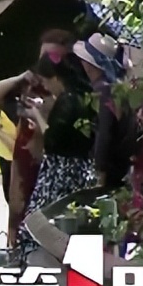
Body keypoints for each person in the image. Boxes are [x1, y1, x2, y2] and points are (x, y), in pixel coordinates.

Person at [0, 29, 74, 246]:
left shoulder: (68, 97)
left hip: (49, 172)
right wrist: (20, 78)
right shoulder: (30, 87)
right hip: (22, 166)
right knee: (17, 222)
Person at [16, 50, 98, 260]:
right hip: (80, 168)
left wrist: (37, 116)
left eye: (45, 80)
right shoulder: (84, 96)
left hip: (60, 171)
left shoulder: (67, 100)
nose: (45, 86)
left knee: (38, 225)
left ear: (54, 77)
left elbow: (52, 138)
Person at [73, 33, 138, 190]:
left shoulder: (103, 91)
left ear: (89, 64)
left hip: (111, 167)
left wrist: (100, 170)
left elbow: (104, 131)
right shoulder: (116, 87)